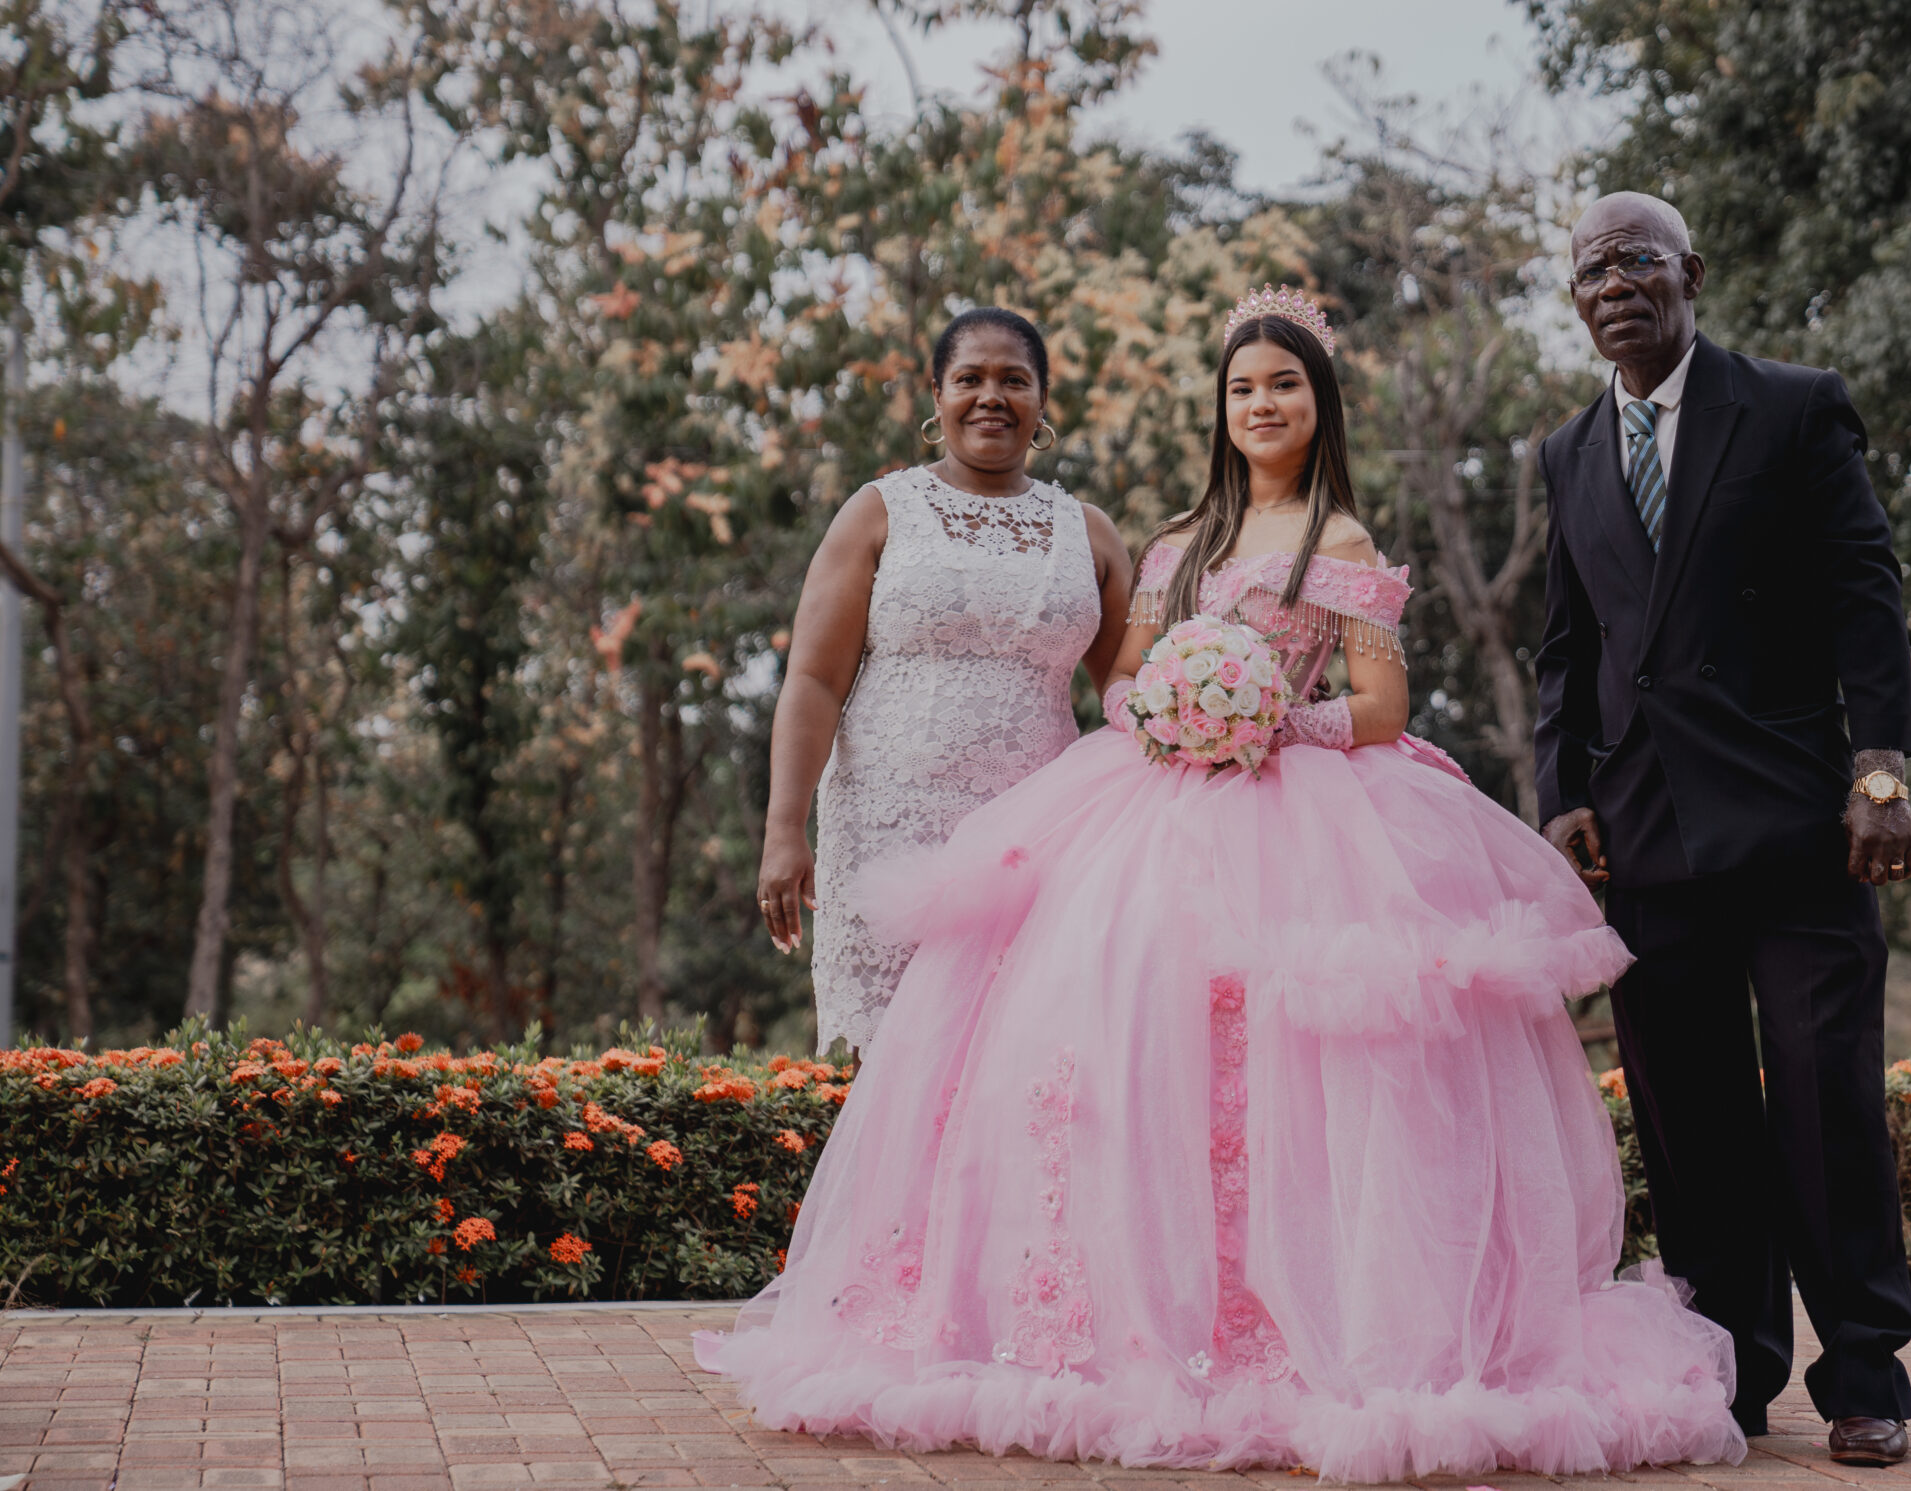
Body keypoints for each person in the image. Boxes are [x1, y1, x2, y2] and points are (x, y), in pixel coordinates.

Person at [698, 286, 1747, 1479]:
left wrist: (1267, 721)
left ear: (1319, 404)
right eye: (1242, 387)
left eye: (1284, 385)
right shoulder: (1175, 544)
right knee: (1117, 1044)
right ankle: (1120, 1318)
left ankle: (1303, 1323)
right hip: (1158, 807)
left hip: (1308, 814)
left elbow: (1381, 706)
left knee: (1304, 1063)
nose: (1261, 404)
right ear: (1220, 407)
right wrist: (1171, 712)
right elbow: (1124, 676)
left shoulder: (1340, 543)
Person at [1534, 192, 1911, 1467]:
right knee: (1690, 1125)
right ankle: (1730, 1375)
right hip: (1644, 835)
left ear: (1690, 272)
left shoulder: (1793, 407)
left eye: (1636, 259)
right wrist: (1560, 791)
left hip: (1799, 822)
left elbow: (1863, 585)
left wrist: (1879, 771)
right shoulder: (1567, 454)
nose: (1613, 284)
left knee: (1825, 1102)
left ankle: (1863, 1377)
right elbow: (1568, 645)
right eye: (1590, 271)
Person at [756, 306, 1132, 1056]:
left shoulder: (1088, 532)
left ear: (1042, 401)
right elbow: (814, 681)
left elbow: (1132, 695)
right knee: (891, 1061)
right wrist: (783, 828)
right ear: (937, 395)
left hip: (1036, 841)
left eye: (1014, 380)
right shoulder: (878, 513)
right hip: (891, 831)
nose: (992, 396)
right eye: (970, 378)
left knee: (1021, 1061)